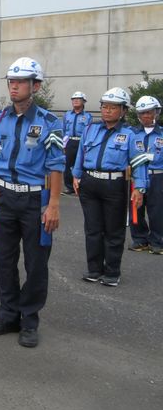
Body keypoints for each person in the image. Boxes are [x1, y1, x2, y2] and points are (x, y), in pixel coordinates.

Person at [0, 58, 64, 348]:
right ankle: (8, 316)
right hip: (3, 197)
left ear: (35, 85)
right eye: (10, 81)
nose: (13, 86)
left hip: (34, 200)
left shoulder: (49, 122)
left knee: (36, 262)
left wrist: (53, 204)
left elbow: (55, 165)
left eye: (20, 81)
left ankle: (29, 320)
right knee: (3, 260)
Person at [72, 88, 147, 287]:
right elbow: (81, 152)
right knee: (93, 229)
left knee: (114, 230)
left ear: (123, 110)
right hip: (90, 183)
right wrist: (76, 175)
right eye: (104, 106)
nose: (107, 111)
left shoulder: (130, 134)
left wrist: (139, 187)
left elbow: (139, 162)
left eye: (113, 107)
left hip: (114, 185)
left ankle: (112, 272)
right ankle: (94, 269)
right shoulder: (90, 129)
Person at [130, 96, 163, 254]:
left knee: (157, 210)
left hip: (157, 176)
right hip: (136, 176)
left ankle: (157, 241)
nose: (145, 116)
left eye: (149, 112)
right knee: (136, 207)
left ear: (156, 112)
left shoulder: (162, 134)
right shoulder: (132, 133)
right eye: (142, 113)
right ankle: (140, 239)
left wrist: (150, 157)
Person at [62, 92, 92, 195]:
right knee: (68, 165)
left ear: (83, 101)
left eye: (78, 99)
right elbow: (64, 129)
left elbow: (89, 132)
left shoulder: (88, 116)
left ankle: (81, 186)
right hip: (69, 141)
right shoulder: (67, 115)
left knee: (81, 164)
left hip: (81, 142)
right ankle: (69, 187)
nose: (75, 101)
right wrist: (63, 144)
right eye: (73, 99)